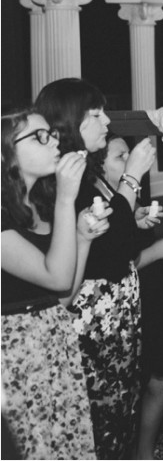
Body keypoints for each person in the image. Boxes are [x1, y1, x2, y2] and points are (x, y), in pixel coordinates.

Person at [35, 78, 156, 460]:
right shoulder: (62, 181)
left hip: (116, 318)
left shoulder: (91, 173)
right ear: (71, 122)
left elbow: (117, 235)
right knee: (97, 421)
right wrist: (134, 176)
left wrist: (129, 217)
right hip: (90, 322)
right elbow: (108, 243)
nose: (107, 121)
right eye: (96, 114)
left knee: (120, 414)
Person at [1, 110, 105, 460]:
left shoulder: (34, 210)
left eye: (52, 134)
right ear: (7, 154)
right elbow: (57, 276)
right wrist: (66, 198)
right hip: (15, 362)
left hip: (52, 351)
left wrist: (82, 238)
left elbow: (61, 298)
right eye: (40, 136)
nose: (54, 141)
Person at [97, 136, 163, 460]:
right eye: (121, 156)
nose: (130, 161)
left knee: (162, 378)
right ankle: (140, 454)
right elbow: (114, 264)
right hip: (128, 305)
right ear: (100, 167)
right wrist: (158, 250)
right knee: (151, 381)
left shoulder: (123, 204)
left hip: (150, 297)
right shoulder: (100, 204)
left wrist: (135, 220)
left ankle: (141, 452)